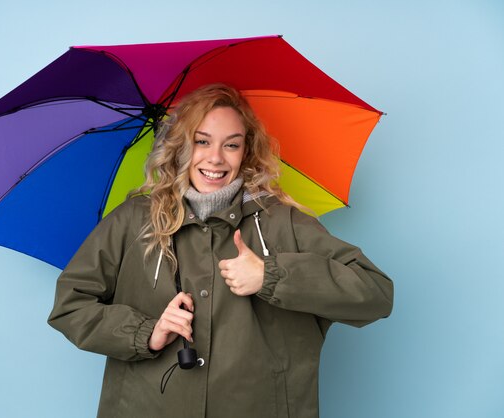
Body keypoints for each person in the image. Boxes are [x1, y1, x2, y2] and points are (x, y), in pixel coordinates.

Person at [48, 84, 393, 418]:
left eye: (231, 144)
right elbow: (71, 305)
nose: (215, 158)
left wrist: (271, 276)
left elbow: (375, 292)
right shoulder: (133, 220)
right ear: (180, 145)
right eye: (202, 141)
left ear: (246, 151)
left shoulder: (279, 222)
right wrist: (145, 333)